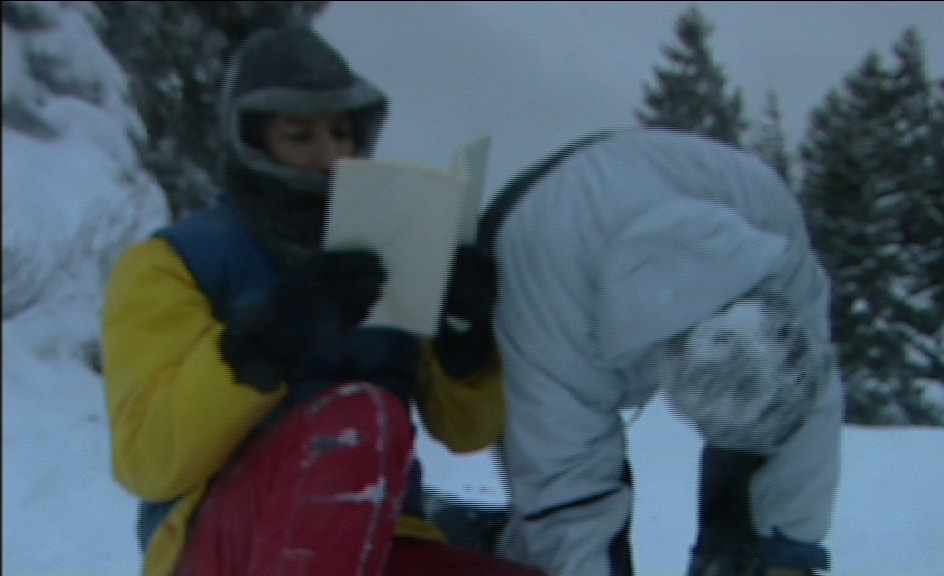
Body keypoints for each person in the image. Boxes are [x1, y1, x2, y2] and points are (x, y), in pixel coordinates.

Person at [102, 24, 543, 576]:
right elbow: (147, 461)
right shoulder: (174, 264)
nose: (330, 155)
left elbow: (466, 432)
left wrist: (465, 335)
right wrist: (269, 337)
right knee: (361, 419)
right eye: (300, 135)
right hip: (222, 543)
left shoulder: (394, 248)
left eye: (341, 133)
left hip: (376, 538)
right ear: (252, 141)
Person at [474, 127, 844, 576]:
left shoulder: (770, 230)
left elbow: (813, 403)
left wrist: (789, 553)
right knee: (552, 530)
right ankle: (481, 543)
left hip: (652, 176)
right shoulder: (545, 316)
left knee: (761, 449)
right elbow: (567, 492)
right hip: (530, 234)